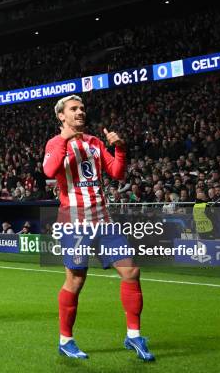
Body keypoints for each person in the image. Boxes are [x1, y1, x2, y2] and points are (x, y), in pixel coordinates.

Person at [42, 95, 154, 361]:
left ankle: (134, 336)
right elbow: (49, 170)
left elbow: (116, 173)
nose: (80, 112)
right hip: (74, 222)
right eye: (74, 109)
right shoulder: (55, 143)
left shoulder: (94, 142)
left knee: (131, 272)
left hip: (103, 220)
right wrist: (66, 140)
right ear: (61, 116)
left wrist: (121, 149)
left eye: (82, 108)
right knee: (76, 279)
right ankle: (65, 340)